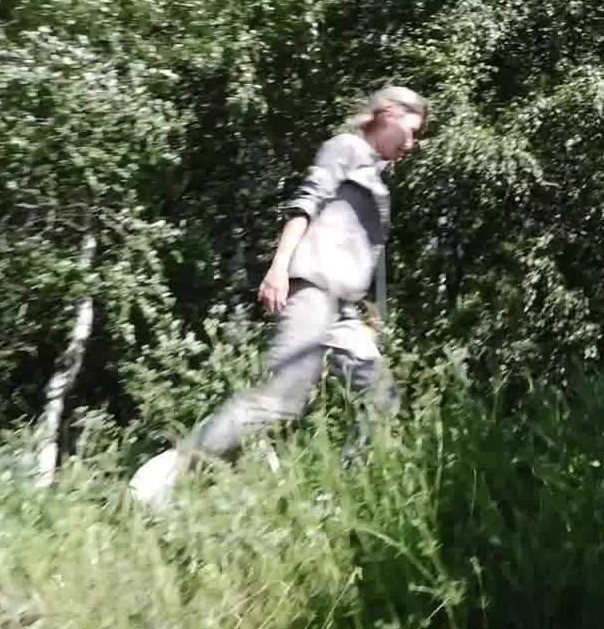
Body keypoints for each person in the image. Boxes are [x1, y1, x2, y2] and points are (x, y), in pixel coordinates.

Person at [128, 85, 429, 507]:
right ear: (388, 115)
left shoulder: (377, 184)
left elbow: (368, 255)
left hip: (346, 312)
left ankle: (336, 501)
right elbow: (306, 203)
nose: (412, 144)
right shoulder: (344, 148)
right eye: (411, 131)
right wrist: (279, 267)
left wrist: (373, 314)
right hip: (314, 292)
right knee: (280, 402)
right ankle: (165, 475)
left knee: (382, 403)